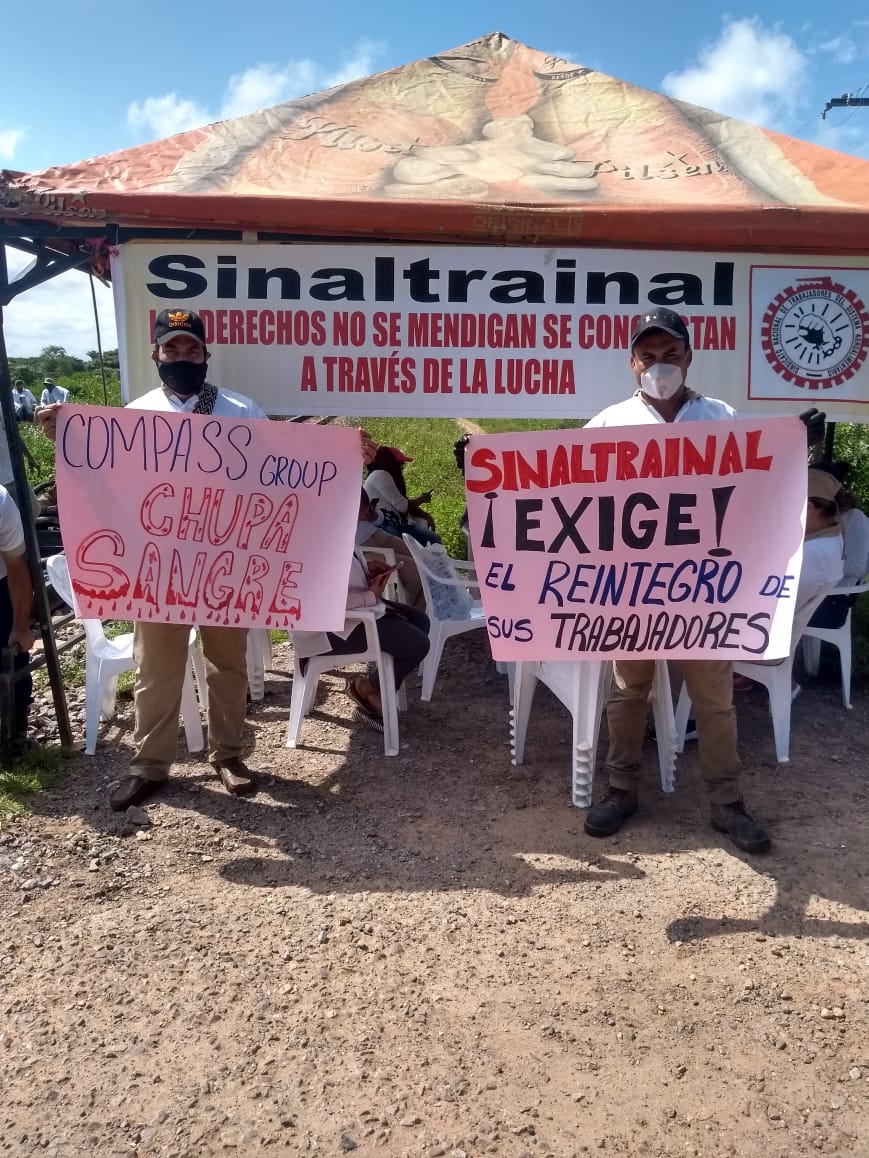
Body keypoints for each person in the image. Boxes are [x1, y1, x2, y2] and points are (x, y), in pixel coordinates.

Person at [581, 307, 774, 854]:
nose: (659, 365)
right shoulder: (607, 423)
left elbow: (757, 492)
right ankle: (621, 789)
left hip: (706, 587)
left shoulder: (723, 418)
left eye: (670, 355)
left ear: (688, 358)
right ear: (631, 362)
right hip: (633, 587)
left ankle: (726, 801)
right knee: (627, 693)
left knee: (714, 699)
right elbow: (576, 503)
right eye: (649, 356)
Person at [293, 490, 430, 731]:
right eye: (355, 517)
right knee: (417, 643)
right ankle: (370, 691)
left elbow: (343, 575)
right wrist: (370, 596)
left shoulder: (335, 528)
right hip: (328, 630)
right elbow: (326, 599)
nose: (357, 523)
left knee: (420, 621)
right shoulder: (314, 540)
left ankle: (370, 688)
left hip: (350, 616)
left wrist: (366, 570)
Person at [805, 462, 869, 629]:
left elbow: (856, 568)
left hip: (832, 600)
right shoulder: (812, 519)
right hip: (809, 594)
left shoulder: (854, 518)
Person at [0, 484, 36, 752]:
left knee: (13, 652)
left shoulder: (1, 502)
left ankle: (15, 727)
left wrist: (21, 626)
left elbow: (16, 566)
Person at [355, 492, 425, 610]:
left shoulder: (358, 493)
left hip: (378, 534)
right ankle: (411, 611)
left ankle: (426, 611)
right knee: (416, 571)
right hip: (363, 547)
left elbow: (381, 519)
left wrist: (375, 516)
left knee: (424, 560)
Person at [364, 446, 441, 546]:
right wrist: (422, 499)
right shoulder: (381, 475)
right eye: (400, 465)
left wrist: (424, 515)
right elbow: (403, 507)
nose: (401, 469)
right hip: (386, 526)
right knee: (434, 540)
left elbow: (402, 502)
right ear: (390, 463)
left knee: (430, 538)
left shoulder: (379, 475)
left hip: (390, 524)